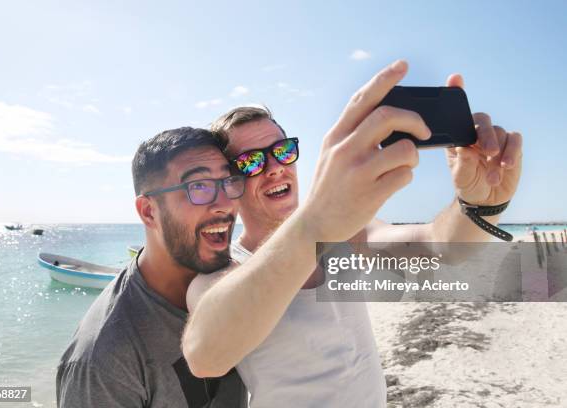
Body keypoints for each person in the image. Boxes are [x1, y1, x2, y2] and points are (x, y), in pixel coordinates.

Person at [183, 60, 523, 407]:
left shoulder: (345, 233)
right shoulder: (224, 273)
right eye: (252, 162)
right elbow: (206, 356)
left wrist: (479, 205)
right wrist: (314, 222)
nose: (275, 169)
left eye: (282, 152)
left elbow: (441, 246)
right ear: (230, 183)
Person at [56, 127, 248, 407]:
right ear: (149, 211)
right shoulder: (103, 359)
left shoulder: (236, 281)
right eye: (199, 186)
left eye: (228, 182)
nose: (225, 204)